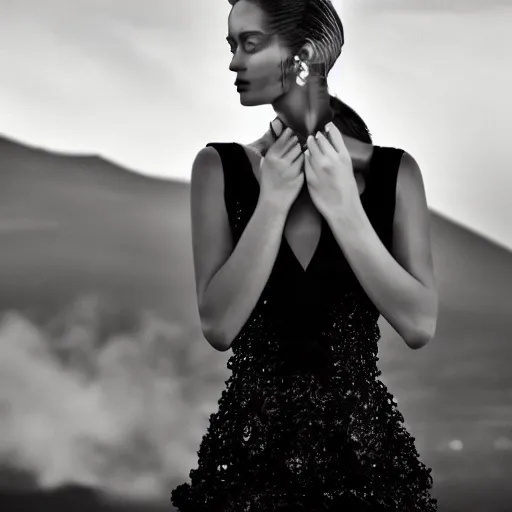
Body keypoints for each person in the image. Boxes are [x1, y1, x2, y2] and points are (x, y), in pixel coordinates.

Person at [171, 0, 439, 510]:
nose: (233, 62)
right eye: (231, 45)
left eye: (249, 44)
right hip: (246, 473)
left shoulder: (394, 174)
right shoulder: (218, 168)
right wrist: (270, 203)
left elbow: (419, 323)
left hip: (368, 473)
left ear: (305, 54)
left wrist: (345, 210)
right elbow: (219, 326)